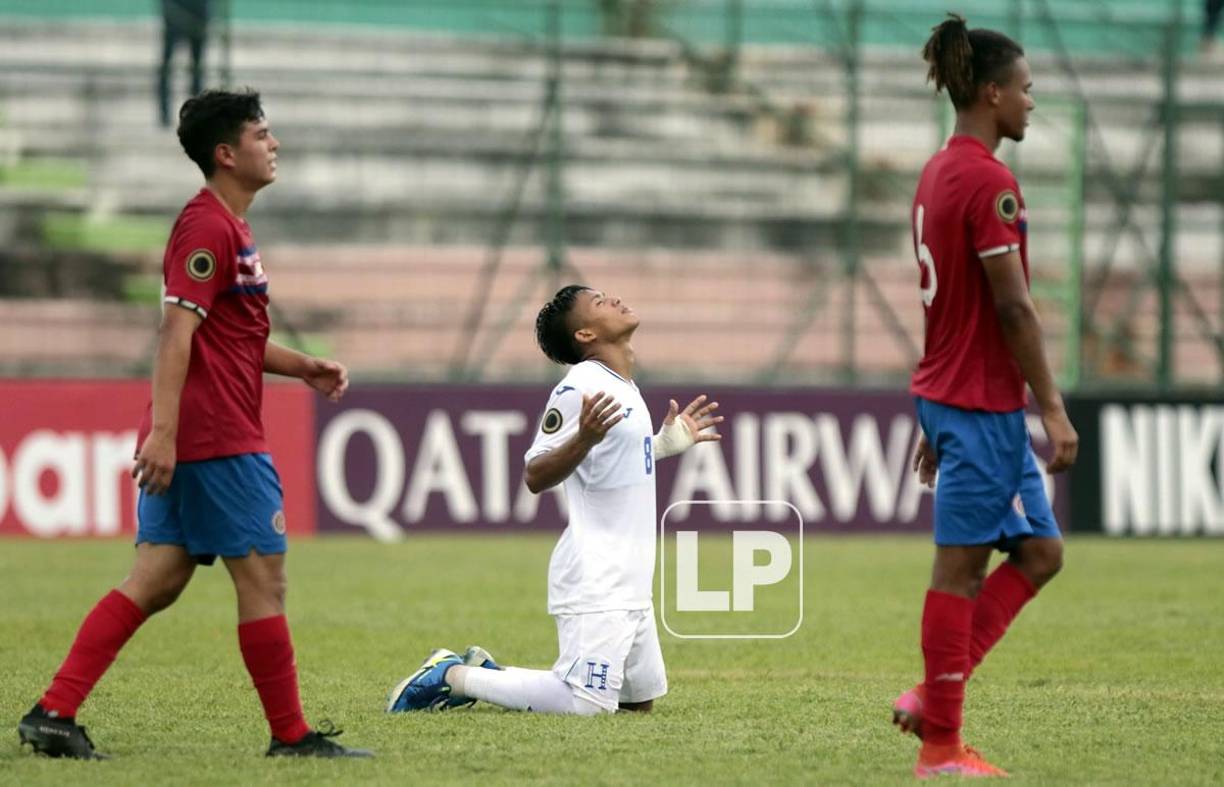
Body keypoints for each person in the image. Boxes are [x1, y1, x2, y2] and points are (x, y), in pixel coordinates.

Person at [17, 89, 371, 760]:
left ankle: (54, 710)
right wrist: (167, 434)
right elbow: (175, 333)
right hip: (216, 437)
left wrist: (302, 366)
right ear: (226, 153)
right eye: (262, 135)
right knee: (264, 576)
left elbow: (227, 339)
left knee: (157, 577)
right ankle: (291, 735)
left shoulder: (228, 225)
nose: (275, 145)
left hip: (198, 433)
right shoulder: (207, 226)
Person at [387, 285, 723, 716]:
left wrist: (661, 445)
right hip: (597, 574)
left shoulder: (624, 385)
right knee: (586, 704)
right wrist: (582, 438)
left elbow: (611, 462)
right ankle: (451, 676)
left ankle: (490, 672)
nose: (614, 299)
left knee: (637, 704)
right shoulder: (579, 387)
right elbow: (535, 473)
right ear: (585, 335)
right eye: (600, 302)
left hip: (631, 575)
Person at [893, 14, 1079, 779]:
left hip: (954, 397)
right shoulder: (989, 181)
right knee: (959, 572)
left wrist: (931, 404)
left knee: (1040, 550)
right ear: (994, 92)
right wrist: (1055, 408)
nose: (1032, 104)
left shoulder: (940, 170)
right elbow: (1011, 307)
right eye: (1027, 91)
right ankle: (941, 748)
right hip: (981, 410)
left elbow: (945, 302)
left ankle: (931, 697)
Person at [158, 0, 211, 127]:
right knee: (168, 66)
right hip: (177, 9)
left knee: (197, 66)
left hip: (198, 10)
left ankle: (196, 115)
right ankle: (164, 115)